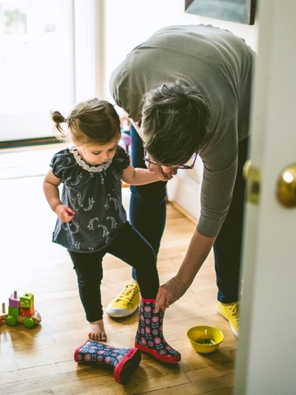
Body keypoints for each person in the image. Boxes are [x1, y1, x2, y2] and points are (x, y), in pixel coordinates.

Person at [107, 24, 254, 338]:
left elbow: (213, 215)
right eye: (158, 158)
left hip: (238, 76)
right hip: (174, 51)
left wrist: (181, 281)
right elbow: (132, 117)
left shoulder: (221, 130)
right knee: (145, 190)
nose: (168, 171)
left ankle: (229, 298)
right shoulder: (126, 82)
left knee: (231, 207)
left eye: (179, 165)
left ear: (200, 144)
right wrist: (152, 164)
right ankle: (139, 280)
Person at [43, 98, 181, 363]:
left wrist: (157, 175)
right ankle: (95, 321)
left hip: (115, 228)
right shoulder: (65, 161)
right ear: (77, 143)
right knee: (89, 279)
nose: (105, 156)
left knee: (145, 256)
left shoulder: (116, 155)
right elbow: (49, 183)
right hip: (80, 236)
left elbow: (131, 177)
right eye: (98, 152)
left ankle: (149, 326)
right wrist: (57, 206)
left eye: (109, 148)